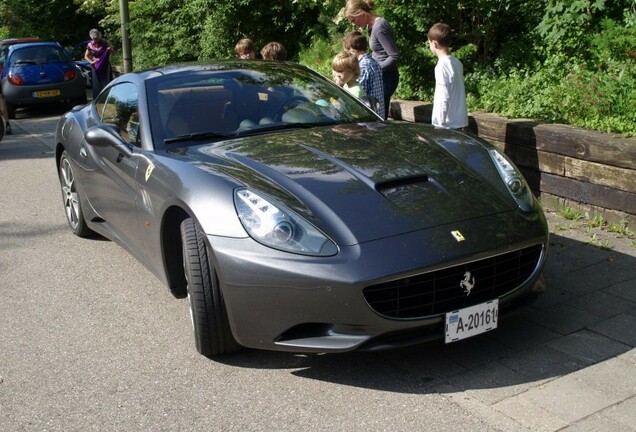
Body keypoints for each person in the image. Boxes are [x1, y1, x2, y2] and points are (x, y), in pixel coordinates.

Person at [344, 0, 399, 119]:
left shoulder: (379, 27)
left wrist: (376, 69)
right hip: (379, 74)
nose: (354, 24)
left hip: (386, 77)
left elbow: (394, 56)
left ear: (362, 13)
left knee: (377, 115)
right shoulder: (371, 26)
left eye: (354, 20)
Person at [427, 22, 468, 130]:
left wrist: (440, 124)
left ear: (434, 43)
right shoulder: (457, 62)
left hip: (447, 125)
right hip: (460, 122)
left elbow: (443, 96)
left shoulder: (441, 66)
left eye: (429, 43)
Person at [342, 31, 385, 119]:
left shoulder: (362, 67)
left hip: (369, 117)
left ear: (352, 49)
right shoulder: (373, 62)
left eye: (346, 51)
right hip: (379, 113)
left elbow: (359, 96)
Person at [84, 28, 113, 99]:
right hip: (95, 66)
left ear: (99, 36)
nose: (96, 40)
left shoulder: (104, 42)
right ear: (91, 38)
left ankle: (107, 98)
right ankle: (97, 99)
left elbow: (112, 51)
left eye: (97, 38)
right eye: (94, 39)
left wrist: (110, 49)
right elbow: (86, 56)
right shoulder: (90, 44)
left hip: (105, 65)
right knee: (96, 84)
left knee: (105, 82)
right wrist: (91, 62)